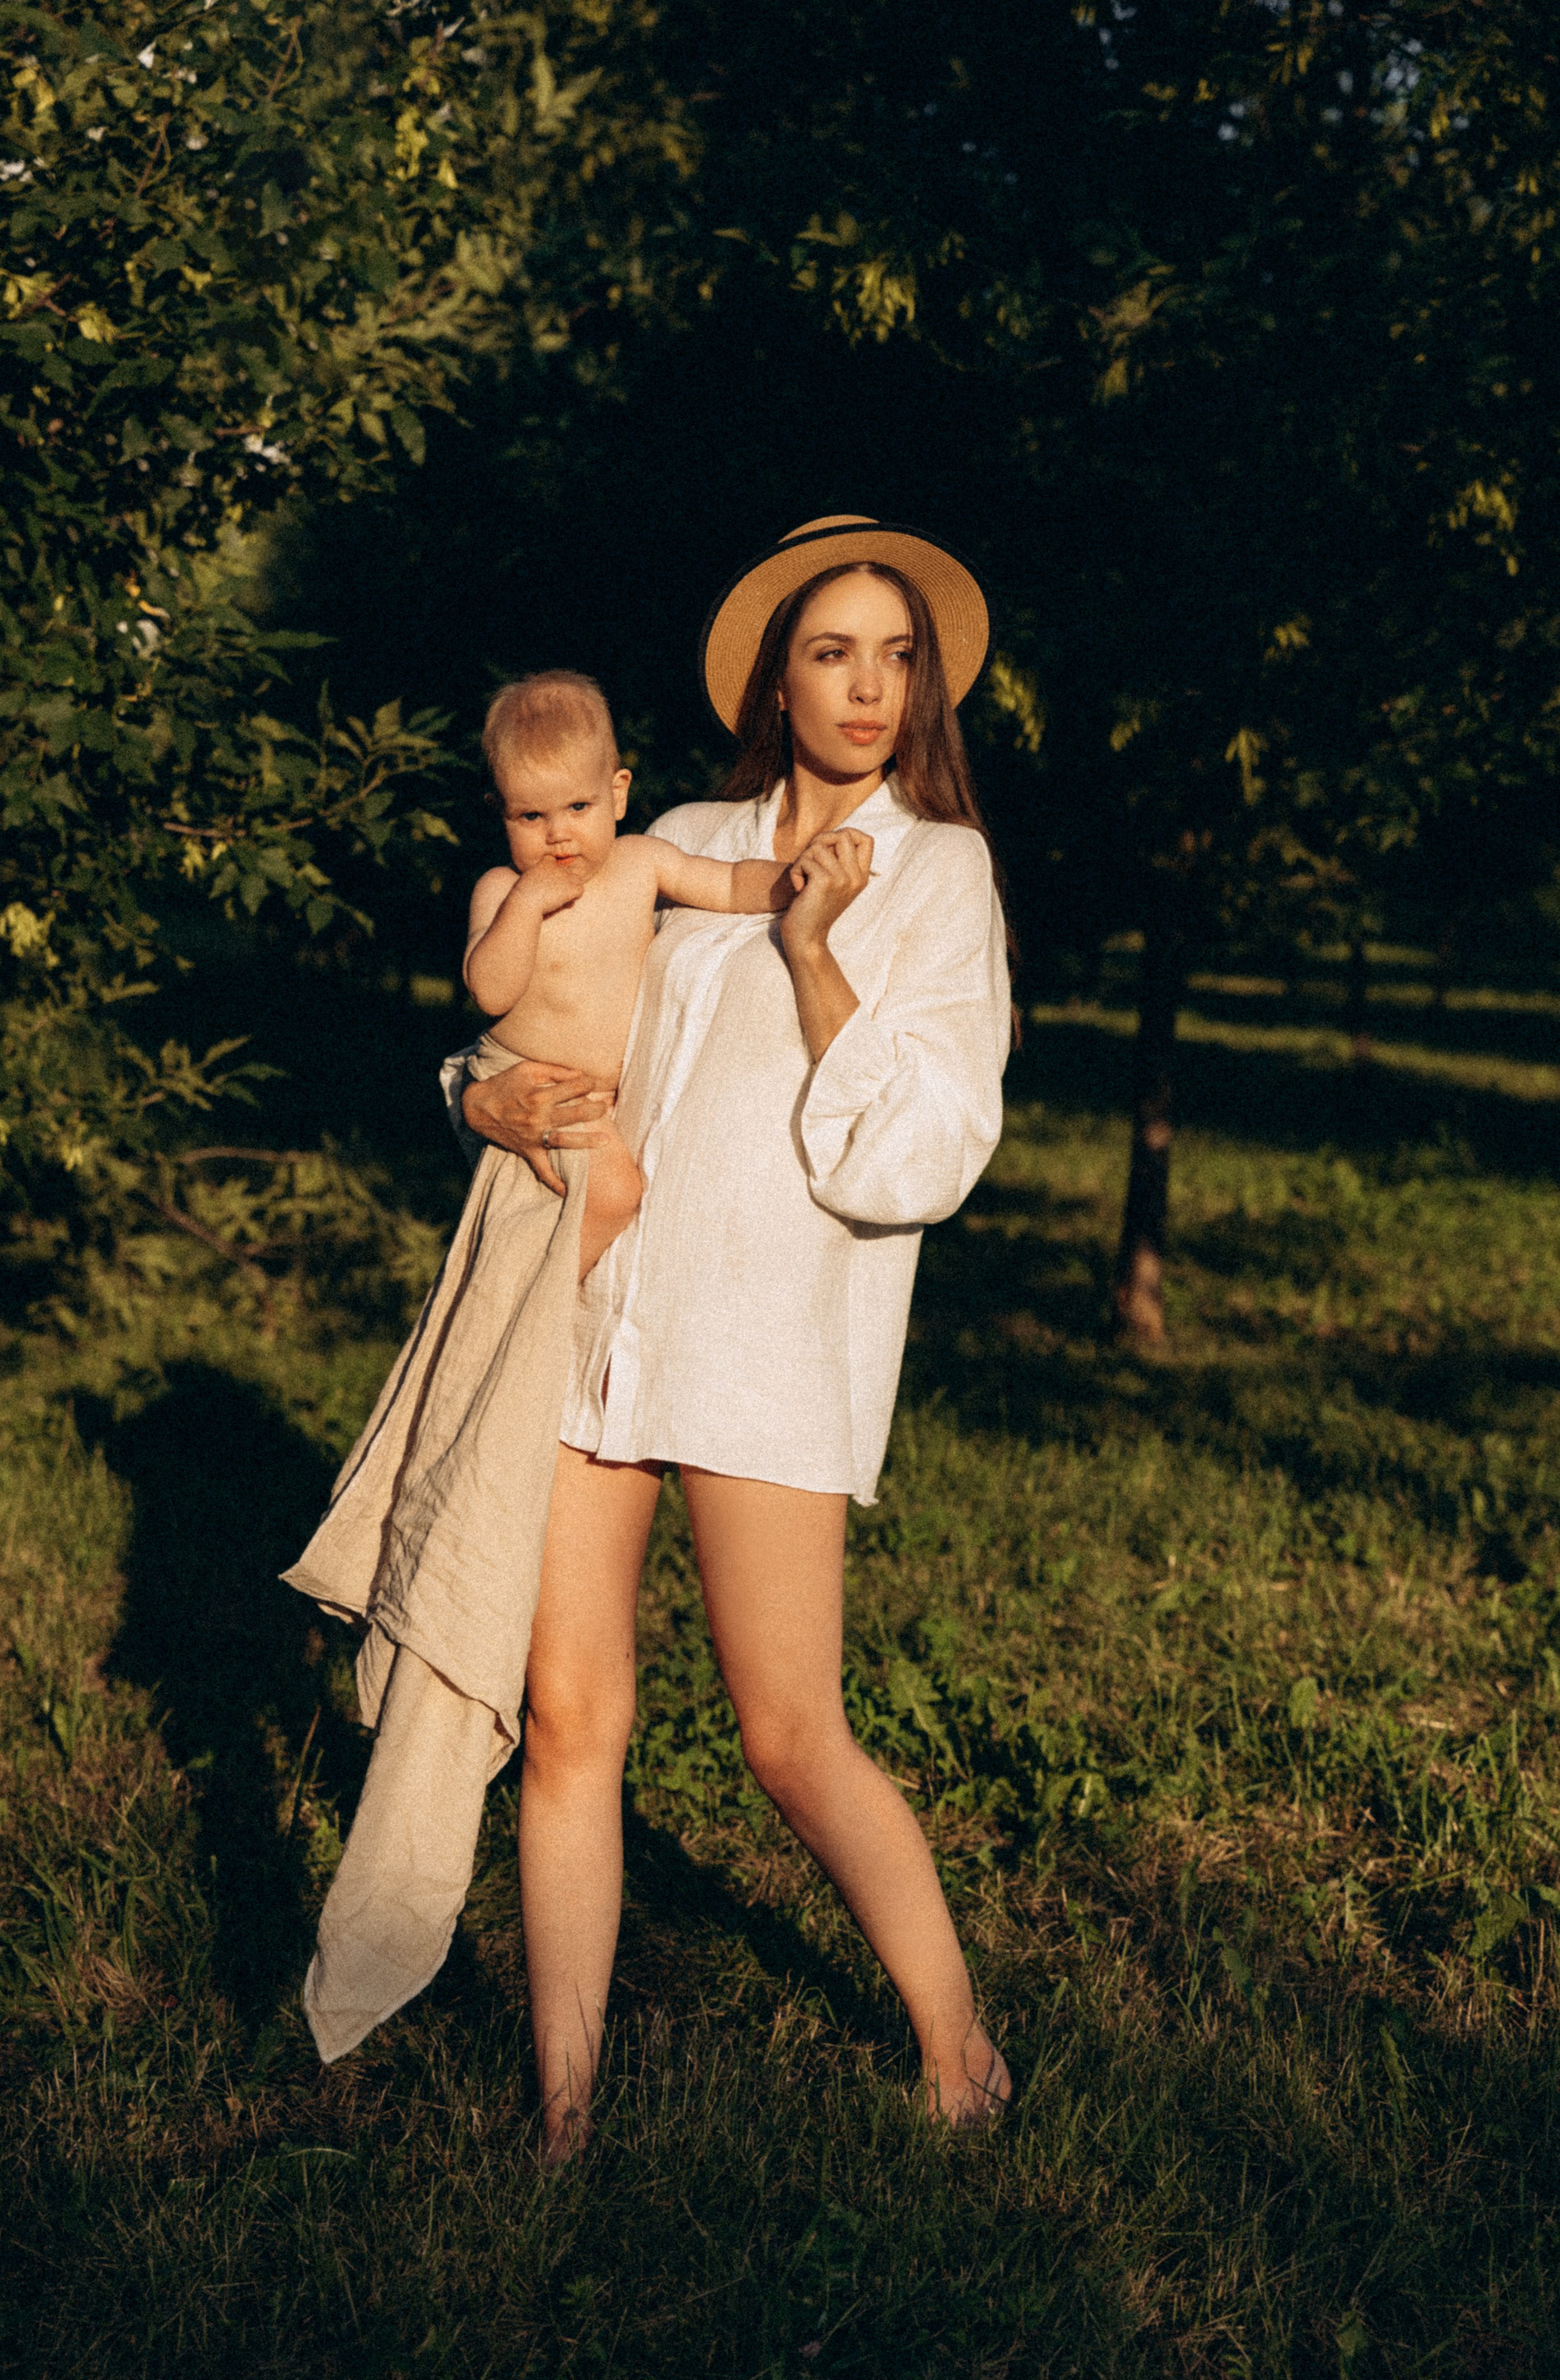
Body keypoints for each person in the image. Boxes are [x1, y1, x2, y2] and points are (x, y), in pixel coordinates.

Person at [460, 515, 1016, 2160]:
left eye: (897, 656)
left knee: (788, 1735)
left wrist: (812, 949)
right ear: (778, 678)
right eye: (834, 652)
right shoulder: (675, 838)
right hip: (593, 1317)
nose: (869, 685)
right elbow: (527, 1016)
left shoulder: (941, 872)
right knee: (569, 1721)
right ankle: (565, 2112)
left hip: (770, 1342)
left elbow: (922, 1153)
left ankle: (960, 2049)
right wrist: (482, 1097)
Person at [464, 670, 800, 1280]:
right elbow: (490, 991)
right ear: (501, 814)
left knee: (564, 1209)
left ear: (617, 794)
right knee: (615, 1194)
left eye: (578, 807)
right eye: (531, 816)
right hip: (527, 1081)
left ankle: (531, 1290)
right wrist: (526, 906)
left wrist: (794, 879)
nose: (558, 834)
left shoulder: (640, 862)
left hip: (592, 1101)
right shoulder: (501, 889)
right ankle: (535, 1295)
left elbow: (728, 884)